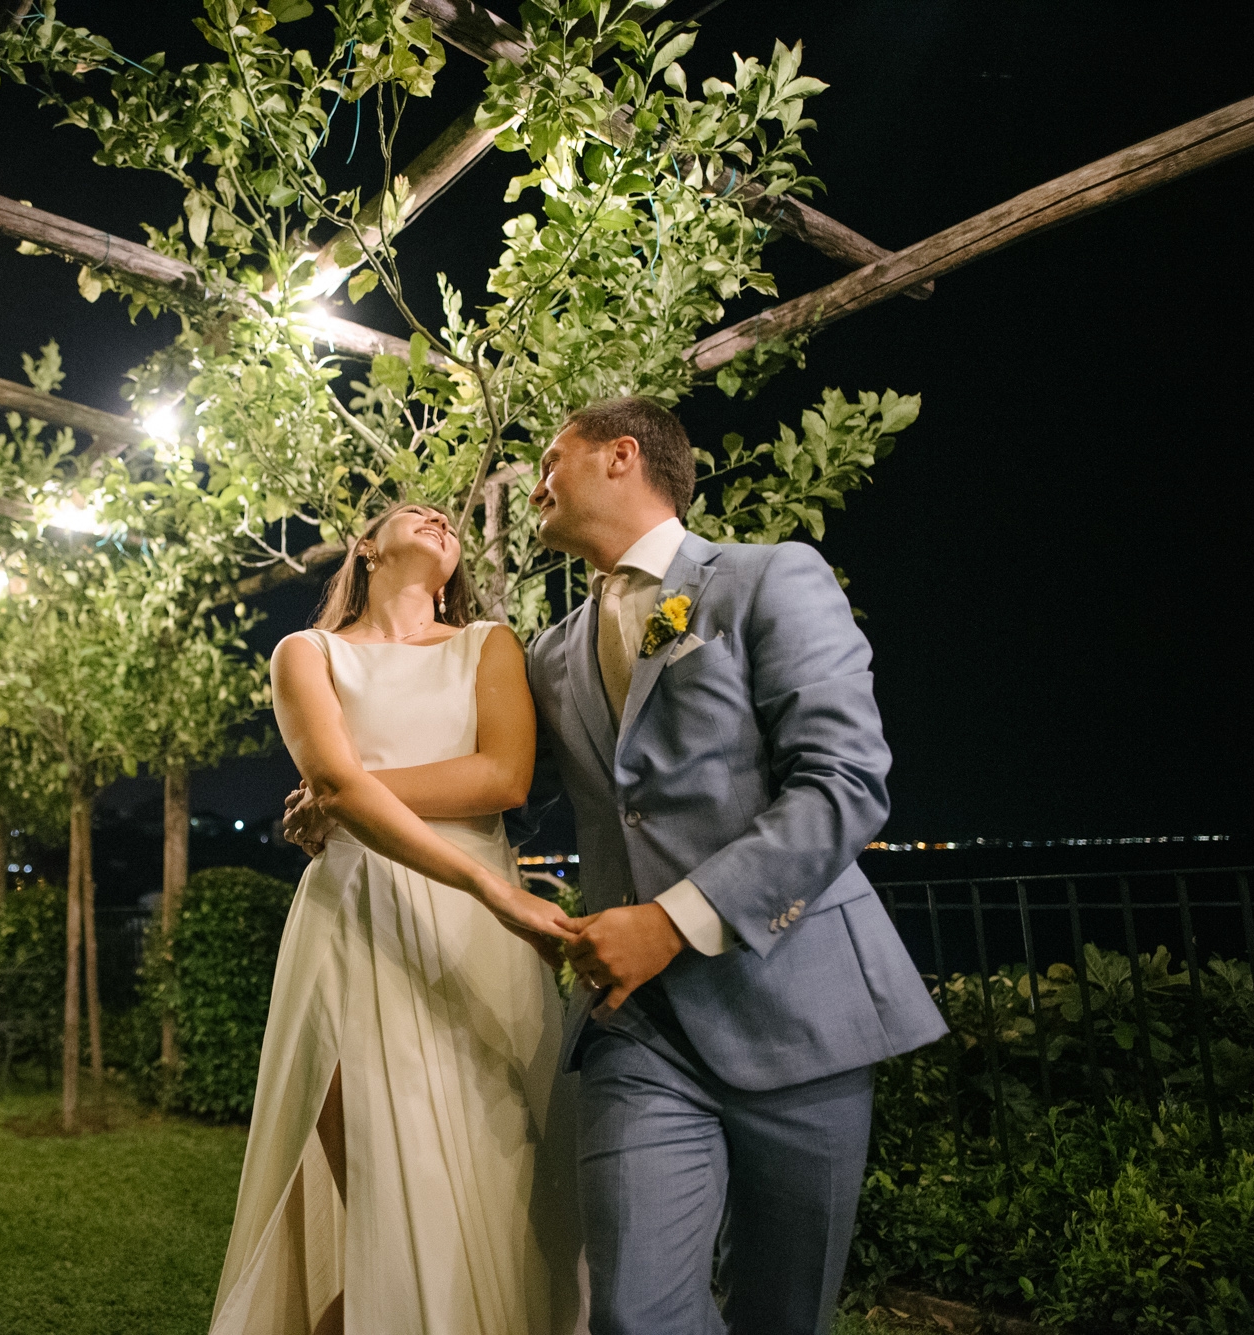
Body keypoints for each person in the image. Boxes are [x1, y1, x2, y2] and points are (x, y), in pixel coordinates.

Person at [516, 396, 948, 1334]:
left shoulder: (768, 578)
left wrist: (669, 921)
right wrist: (349, 790)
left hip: (799, 1009)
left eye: (553, 457)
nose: (535, 481)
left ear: (621, 456)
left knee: (784, 1316)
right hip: (640, 1033)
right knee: (632, 1313)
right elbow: (497, 777)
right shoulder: (549, 656)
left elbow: (845, 780)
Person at [210, 503, 584, 1335]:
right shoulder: (306, 653)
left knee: (503, 1174)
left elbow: (503, 778)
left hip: (477, 930)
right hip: (356, 922)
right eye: (413, 511)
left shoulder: (489, 644)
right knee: (373, 1179)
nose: (439, 518)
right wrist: (336, 794)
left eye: (451, 518)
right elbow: (336, 780)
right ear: (366, 546)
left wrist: (340, 795)